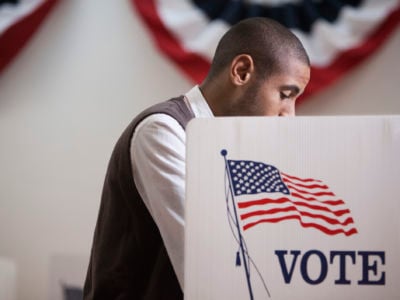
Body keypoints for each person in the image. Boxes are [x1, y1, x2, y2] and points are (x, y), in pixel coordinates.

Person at [83, 17, 310, 299]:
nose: (290, 116)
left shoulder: (230, 146)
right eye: (285, 95)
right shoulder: (163, 132)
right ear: (241, 71)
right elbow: (208, 268)